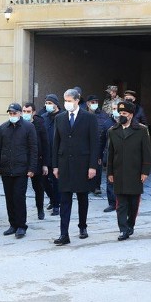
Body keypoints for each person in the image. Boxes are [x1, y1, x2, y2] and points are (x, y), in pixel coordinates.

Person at [51, 88, 99, 246]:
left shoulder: (89, 118)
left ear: (77, 100)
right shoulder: (59, 118)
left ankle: (82, 226)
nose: (67, 103)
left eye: (70, 100)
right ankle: (63, 233)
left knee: (82, 197)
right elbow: (56, 143)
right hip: (64, 165)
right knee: (64, 199)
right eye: (65, 100)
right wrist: (55, 166)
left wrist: (93, 166)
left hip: (82, 164)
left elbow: (94, 144)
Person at [0, 103, 38, 239]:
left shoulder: (29, 127)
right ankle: (12, 224)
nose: (12, 116)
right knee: (9, 198)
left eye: (14, 113)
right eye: (10, 113)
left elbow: (33, 149)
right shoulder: (3, 128)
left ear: (20, 113)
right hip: (6, 169)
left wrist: (31, 168)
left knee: (19, 197)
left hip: (21, 169)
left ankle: (21, 226)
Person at [107, 100, 151, 241]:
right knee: (121, 203)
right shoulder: (113, 131)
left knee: (133, 203)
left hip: (135, 172)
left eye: (124, 113)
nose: (121, 115)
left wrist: (145, 171)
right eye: (120, 113)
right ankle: (123, 229)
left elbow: (146, 153)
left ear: (131, 115)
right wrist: (110, 173)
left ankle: (130, 224)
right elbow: (110, 154)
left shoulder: (141, 130)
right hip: (119, 172)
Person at [22, 102, 50, 220]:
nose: (26, 114)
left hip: (37, 160)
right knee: (20, 188)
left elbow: (45, 144)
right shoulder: (19, 124)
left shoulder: (39, 124)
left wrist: (45, 164)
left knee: (38, 187)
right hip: (23, 161)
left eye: (28, 112)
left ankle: (40, 209)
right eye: (24, 111)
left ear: (33, 112)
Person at [41, 94, 61, 216]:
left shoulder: (63, 117)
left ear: (56, 104)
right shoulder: (43, 117)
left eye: (50, 103)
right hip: (45, 153)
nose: (47, 105)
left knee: (56, 180)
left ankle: (56, 205)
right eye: (46, 103)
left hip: (58, 154)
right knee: (44, 180)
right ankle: (52, 198)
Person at [86, 94, 109, 195]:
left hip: (98, 143)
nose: (94, 104)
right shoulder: (83, 114)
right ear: (88, 104)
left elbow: (105, 128)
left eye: (96, 102)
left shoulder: (103, 115)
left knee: (97, 166)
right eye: (92, 102)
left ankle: (96, 186)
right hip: (85, 144)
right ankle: (87, 185)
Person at [99, 99, 119, 212]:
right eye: (114, 109)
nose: (115, 111)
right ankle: (112, 203)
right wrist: (99, 156)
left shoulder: (127, 122)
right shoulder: (107, 123)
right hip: (110, 156)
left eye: (117, 109)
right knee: (110, 180)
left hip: (124, 157)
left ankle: (122, 201)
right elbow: (102, 141)